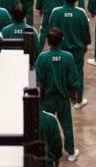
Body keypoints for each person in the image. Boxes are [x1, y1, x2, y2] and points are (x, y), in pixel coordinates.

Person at [35, 27, 81, 162]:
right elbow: (73, 80)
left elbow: (39, 80)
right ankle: (71, 151)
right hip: (62, 98)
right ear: (62, 40)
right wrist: (74, 95)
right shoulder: (68, 57)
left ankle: (46, 148)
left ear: (48, 42)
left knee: (45, 124)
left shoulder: (42, 58)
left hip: (46, 98)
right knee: (67, 125)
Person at [48, 0, 90, 108]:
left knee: (59, 70)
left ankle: (62, 93)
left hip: (60, 48)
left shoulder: (56, 12)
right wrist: (85, 44)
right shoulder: (81, 13)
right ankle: (78, 100)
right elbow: (85, 31)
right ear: (76, 0)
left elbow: (51, 28)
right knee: (78, 73)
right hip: (77, 50)